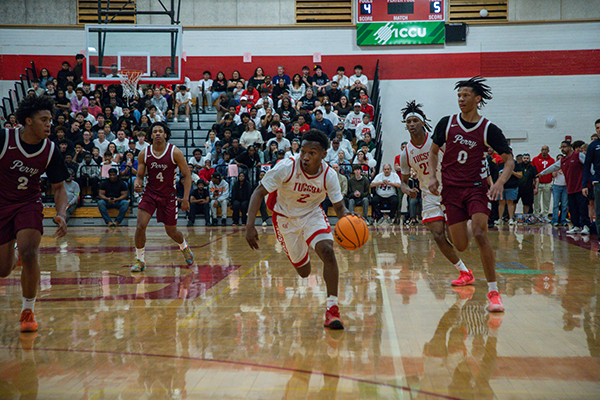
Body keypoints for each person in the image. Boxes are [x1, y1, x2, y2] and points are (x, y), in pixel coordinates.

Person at [245, 129, 348, 329]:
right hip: (285, 218)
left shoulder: (329, 175)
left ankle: (332, 310)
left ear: (323, 155)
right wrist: (250, 226)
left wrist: (350, 219)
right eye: (303, 151)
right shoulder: (286, 167)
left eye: (312, 153)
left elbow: (340, 207)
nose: (306, 157)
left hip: (312, 214)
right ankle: (303, 251)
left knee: (327, 251)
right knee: (304, 272)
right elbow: (258, 193)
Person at [428, 76, 514, 313]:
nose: (461, 99)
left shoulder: (488, 129)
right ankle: (466, 225)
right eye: (459, 96)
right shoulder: (447, 123)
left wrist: (499, 182)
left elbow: (509, 160)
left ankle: (493, 292)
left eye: (465, 96)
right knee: (462, 245)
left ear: (477, 99)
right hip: (451, 190)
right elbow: (433, 151)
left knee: (480, 233)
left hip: (476, 187)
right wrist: (433, 177)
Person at [0, 95, 69, 332]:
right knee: (3, 270)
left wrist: (61, 213)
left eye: (50, 119)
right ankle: (15, 250)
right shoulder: (4, 138)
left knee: (30, 254)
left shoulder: (50, 151)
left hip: (28, 203)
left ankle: (28, 310)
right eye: (44, 119)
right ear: (28, 121)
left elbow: (60, 188)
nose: (49, 124)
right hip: (1, 204)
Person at [398, 101, 471, 285]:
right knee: (438, 235)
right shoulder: (406, 153)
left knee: (457, 237)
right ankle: (463, 271)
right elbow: (403, 182)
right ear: (406, 126)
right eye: (409, 122)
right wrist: (408, 191)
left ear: (423, 123)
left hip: (449, 190)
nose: (412, 124)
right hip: (428, 194)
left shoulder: (437, 141)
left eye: (415, 121)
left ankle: (469, 229)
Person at [132, 122, 194, 272]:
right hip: (150, 194)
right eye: (155, 131)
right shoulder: (144, 153)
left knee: (171, 232)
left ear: (166, 134)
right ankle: (140, 260)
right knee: (140, 226)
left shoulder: (175, 152)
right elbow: (140, 176)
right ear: (151, 135)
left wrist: (185, 199)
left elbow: (187, 176)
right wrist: (137, 183)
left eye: (161, 131)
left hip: (169, 196)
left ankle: (184, 246)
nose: (158, 133)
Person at [538, 140, 590, 235]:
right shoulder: (562, 160)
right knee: (573, 209)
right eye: (561, 147)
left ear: (570, 147)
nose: (562, 149)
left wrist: (593, 176)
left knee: (582, 207)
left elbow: (588, 165)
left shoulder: (578, 155)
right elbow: (553, 167)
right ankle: (576, 226)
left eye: (564, 147)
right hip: (570, 188)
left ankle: (586, 226)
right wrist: (542, 173)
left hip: (580, 187)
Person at [583, 119, 600, 243]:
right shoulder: (593, 146)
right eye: (597, 128)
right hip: (598, 182)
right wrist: (584, 184)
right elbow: (587, 166)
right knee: (598, 212)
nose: (599, 129)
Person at [531, 145, 555, 221]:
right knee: (536, 200)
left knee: (546, 200)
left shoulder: (551, 160)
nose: (544, 151)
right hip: (538, 184)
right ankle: (536, 215)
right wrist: (533, 182)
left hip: (547, 183)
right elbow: (532, 171)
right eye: (543, 149)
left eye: (546, 150)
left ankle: (545, 215)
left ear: (548, 151)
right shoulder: (535, 159)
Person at [551, 154, 568, 227]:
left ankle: (563, 220)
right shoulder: (555, 167)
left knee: (564, 205)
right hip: (557, 186)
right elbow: (553, 175)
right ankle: (555, 219)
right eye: (558, 159)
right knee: (555, 204)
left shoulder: (567, 166)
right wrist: (557, 170)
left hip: (565, 187)